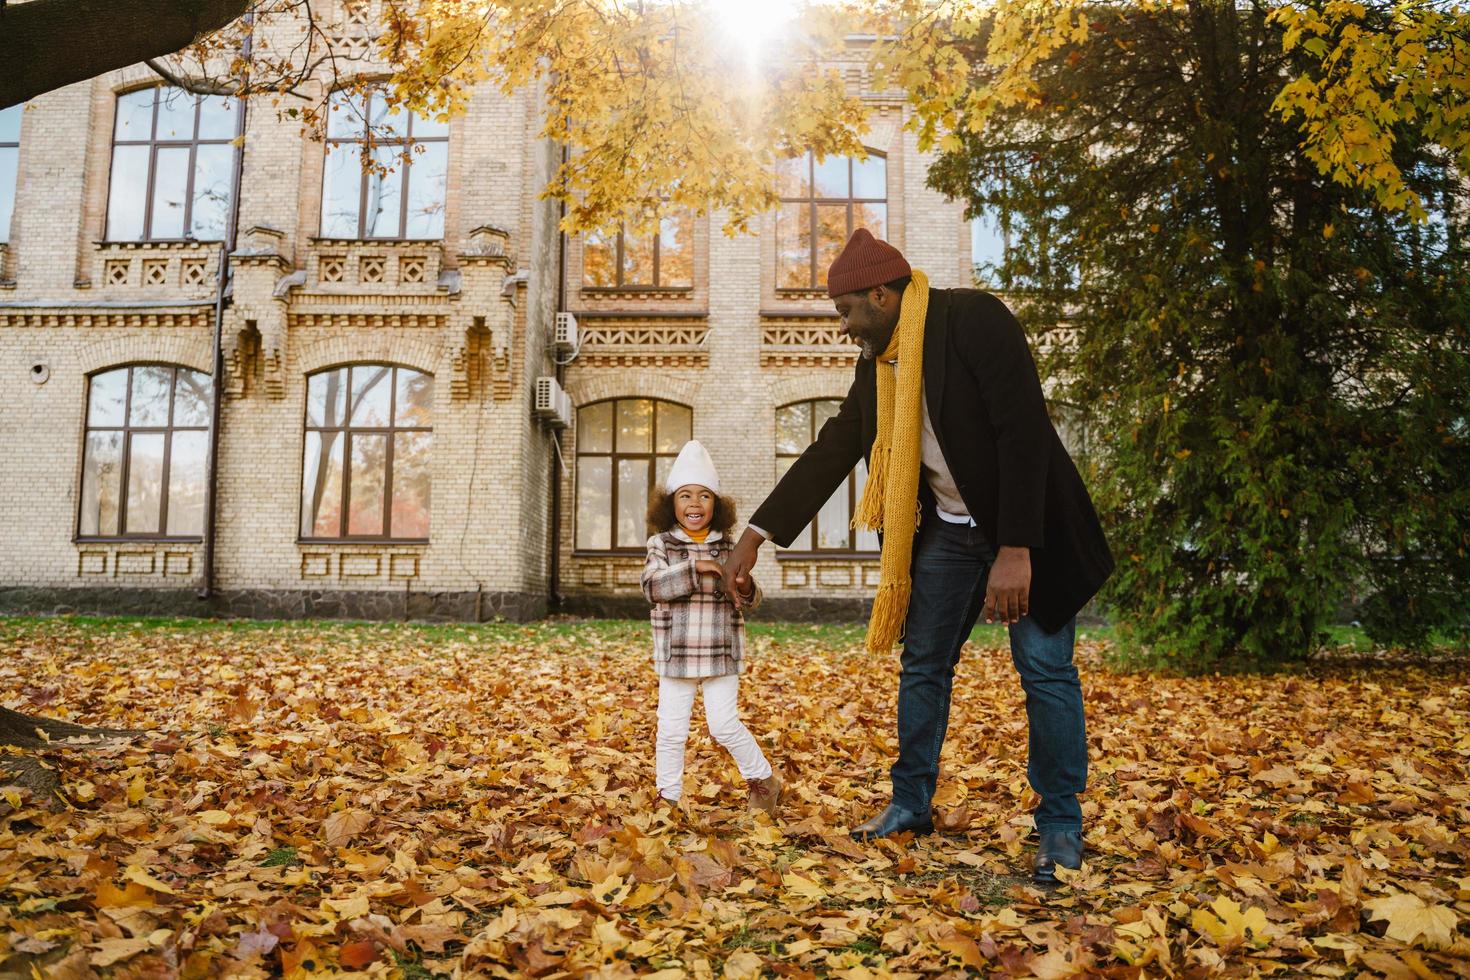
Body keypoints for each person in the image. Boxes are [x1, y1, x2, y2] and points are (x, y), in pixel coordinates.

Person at [721, 229, 1113, 882]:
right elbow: (836, 445)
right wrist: (756, 534)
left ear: (882, 293)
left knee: (1045, 671)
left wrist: (1016, 549)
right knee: (924, 664)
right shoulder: (877, 363)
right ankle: (910, 804)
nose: (845, 327)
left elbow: (1023, 433)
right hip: (946, 536)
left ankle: (1061, 825)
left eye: (848, 311)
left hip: (1028, 528)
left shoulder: (973, 322)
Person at [642, 440, 784, 815]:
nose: (694, 504)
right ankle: (668, 798)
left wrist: (746, 587)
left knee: (723, 725)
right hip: (677, 653)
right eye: (685, 495)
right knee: (671, 731)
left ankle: (763, 781)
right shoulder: (662, 545)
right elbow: (652, 586)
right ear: (670, 503)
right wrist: (695, 568)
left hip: (721, 650)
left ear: (716, 506)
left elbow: (753, 599)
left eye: (704, 496)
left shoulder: (729, 548)